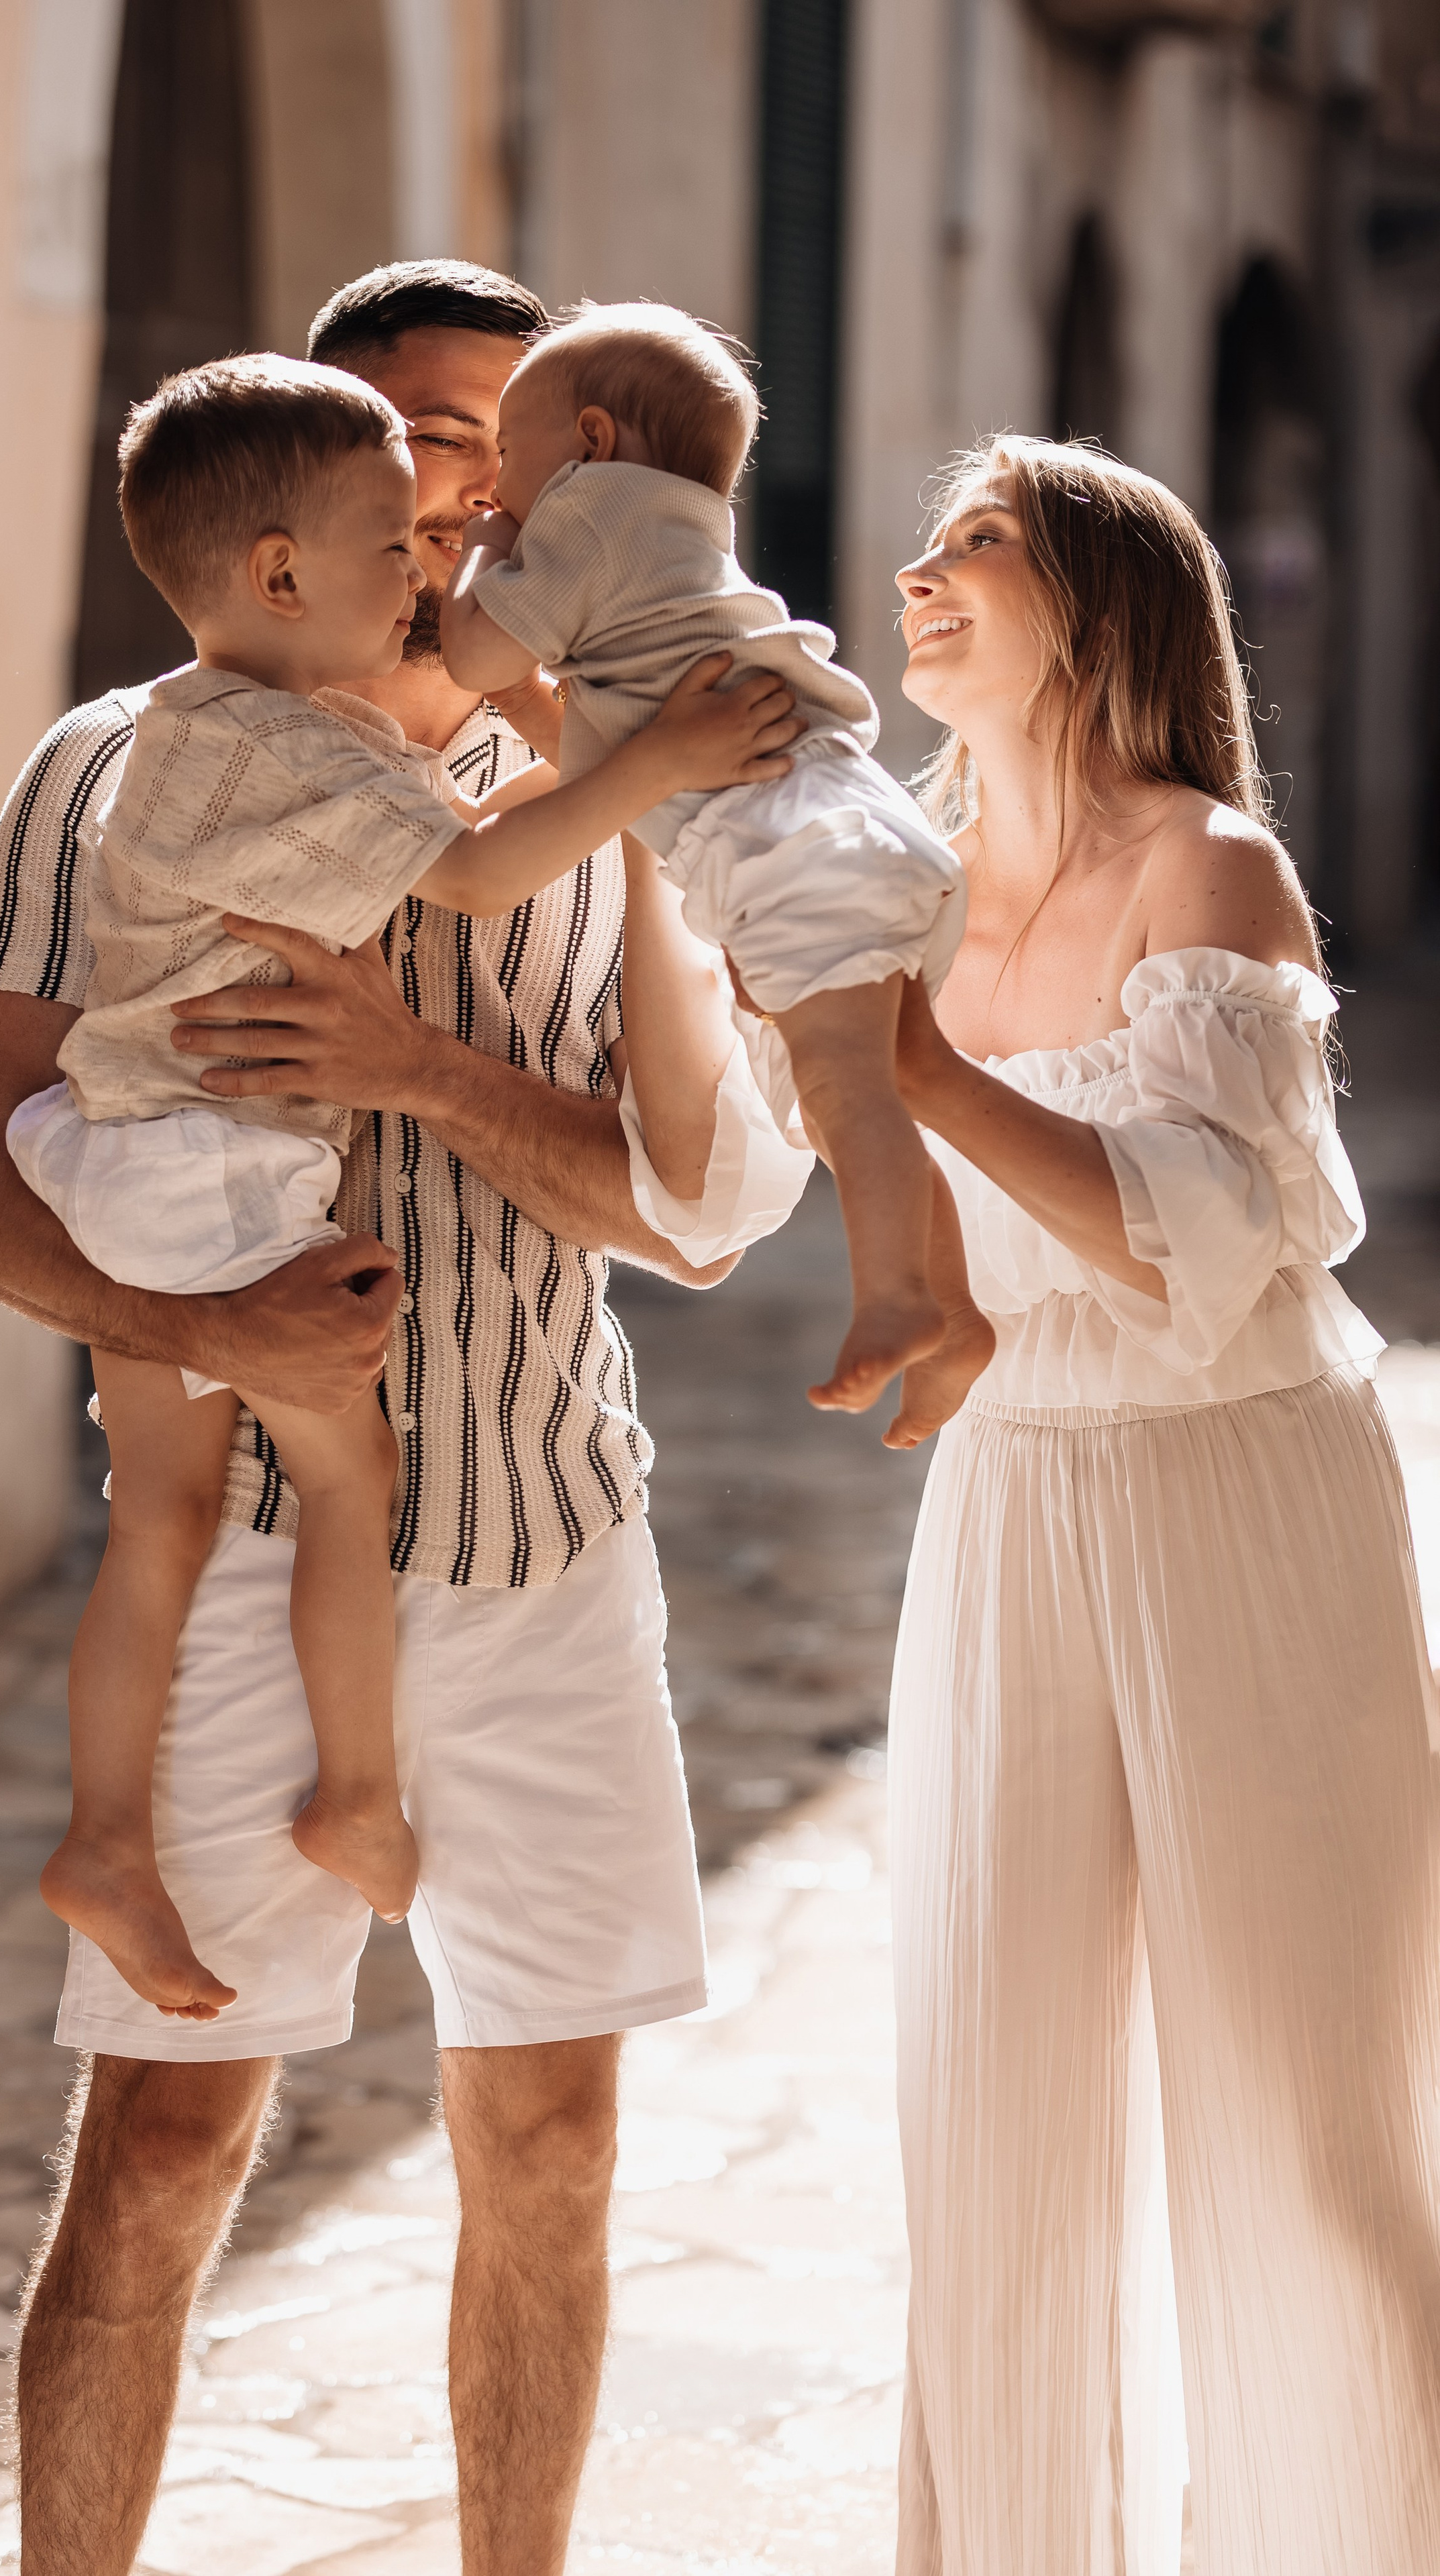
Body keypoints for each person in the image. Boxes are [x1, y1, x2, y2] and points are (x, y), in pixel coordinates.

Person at [0, 259, 813, 2576]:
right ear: (321, 473)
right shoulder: (113, 765)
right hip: (219, 1575)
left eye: (504, 443)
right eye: (412, 428)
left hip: (541, 1539)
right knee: (163, 2153)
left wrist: (419, 1069)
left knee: (555, 2149)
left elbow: (693, 1211)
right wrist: (198, 1331)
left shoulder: (613, 783)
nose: (464, 483)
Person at [13, 353, 799, 2008]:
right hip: (214, 1174)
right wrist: (658, 760)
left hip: (132, 1146)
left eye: (486, 483)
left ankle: (100, 1835)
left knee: (144, 1513)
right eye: (404, 516)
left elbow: (701, 1218)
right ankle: (357, 1799)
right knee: (342, 1480)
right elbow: (486, 862)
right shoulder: (319, 746)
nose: (439, 550)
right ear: (282, 569)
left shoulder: (183, 726)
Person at [884, 432, 1440, 2574]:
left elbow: (1212, 1238)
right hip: (1009, 1504)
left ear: (1102, 606)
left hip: (1246, 1501)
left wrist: (924, 1078)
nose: (922, 574)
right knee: (987, 2108)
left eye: (979, 545)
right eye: (924, 545)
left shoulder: (1212, 871)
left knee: (1301, 2119)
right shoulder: (909, 891)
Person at [441, 301, 993, 1441]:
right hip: (839, 833)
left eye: (509, 455)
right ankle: (953, 1309)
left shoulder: (588, 521)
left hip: (800, 852)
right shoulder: (673, 550)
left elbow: (473, 650)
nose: (498, 484)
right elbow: (616, 754)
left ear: (591, 443)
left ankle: (898, 1296)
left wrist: (487, 557)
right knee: (861, 1096)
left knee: (848, 1089)